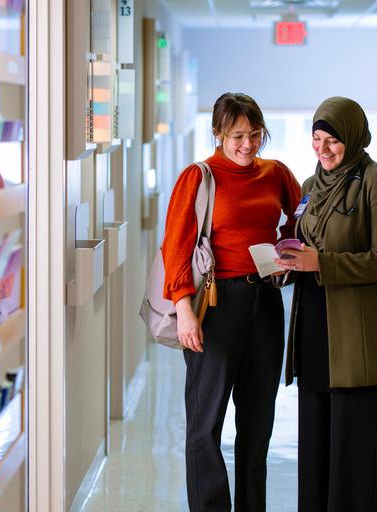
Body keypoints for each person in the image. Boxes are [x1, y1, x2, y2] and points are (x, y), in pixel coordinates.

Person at [162, 92, 301, 512]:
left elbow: (300, 223)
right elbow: (175, 248)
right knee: (205, 426)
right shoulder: (199, 176)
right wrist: (184, 310)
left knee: (258, 425)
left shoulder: (276, 173)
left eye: (255, 135)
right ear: (218, 133)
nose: (247, 145)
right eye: (238, 135)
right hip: (215, 305)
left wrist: (286, 256)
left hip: (265, 303)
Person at [275, 96, 377, 512]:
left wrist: (324, 263)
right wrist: (285, 264)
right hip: (313, 324)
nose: (323, 149)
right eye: (317, 139)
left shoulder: (371, 180)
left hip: (353, 333)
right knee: (315, 438)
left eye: (332, 140)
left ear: (351, 138)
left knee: (351, 447)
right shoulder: (310, 186)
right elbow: (302, 242)